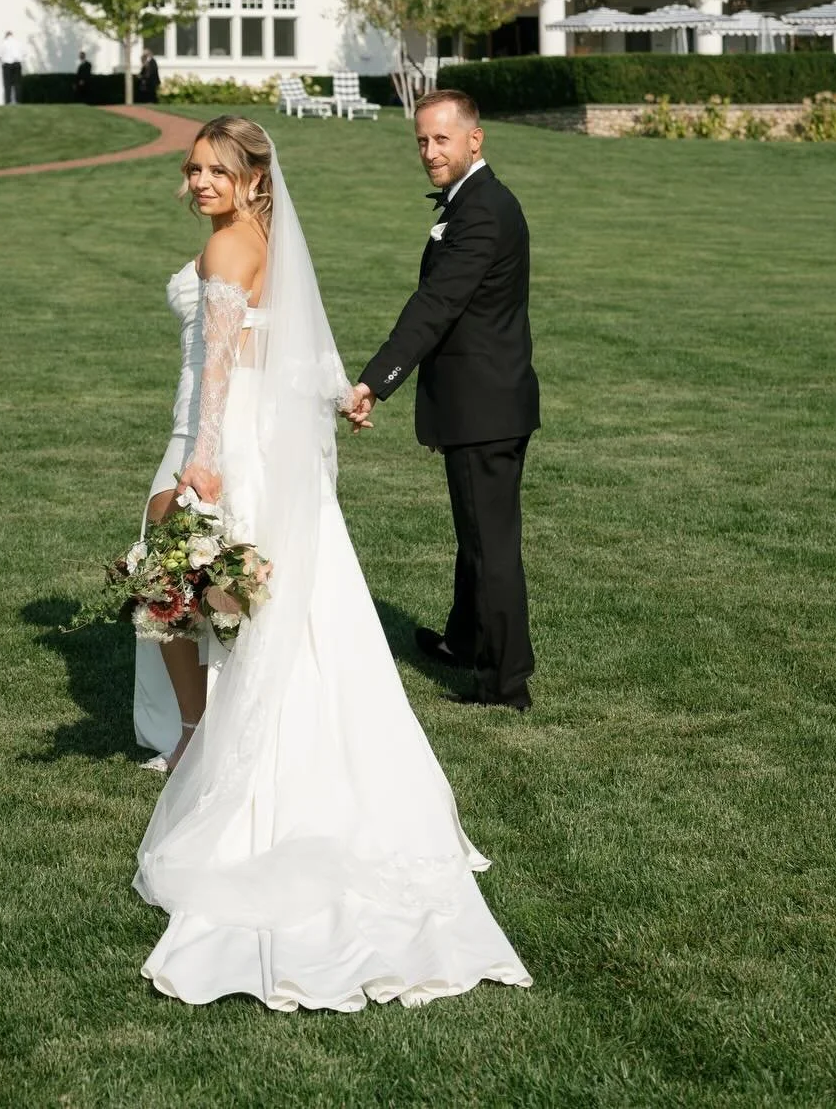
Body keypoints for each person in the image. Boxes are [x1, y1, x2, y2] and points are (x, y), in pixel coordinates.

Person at [130, 115, 531, 1011]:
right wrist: (330, 395)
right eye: (190, 168)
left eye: (212, 168)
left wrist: (200, 458)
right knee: (270, 601)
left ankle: (207, 741)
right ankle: (209, 731)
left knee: (179, 580)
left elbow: (225, 362)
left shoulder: (231, 248)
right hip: (259, 439)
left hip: (218, 437)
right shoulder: (265, 239)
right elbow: (290, 348)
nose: (195, 181)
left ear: (248, 176)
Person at [348, 88, 539, 713]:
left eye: (441, 139)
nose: (430, 152)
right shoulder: (472, 202)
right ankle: (464, 641)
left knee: (491, 546)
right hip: (484, 399)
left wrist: (376, 380)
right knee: (476, 536)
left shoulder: (482, 211)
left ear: (474, 139)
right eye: (422, 141)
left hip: (485, 407)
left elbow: (436, 306)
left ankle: (505, 683)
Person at [0, 29, 23, 106]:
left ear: (6, 35)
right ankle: (18, 100)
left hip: (7, 64)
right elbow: (24, 52)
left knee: (7, 84)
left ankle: (8, 101)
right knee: (17, 83)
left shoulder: (4, 43)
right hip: (17, 63)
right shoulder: (18, 43)